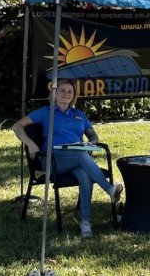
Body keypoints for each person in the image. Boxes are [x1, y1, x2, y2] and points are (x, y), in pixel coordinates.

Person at [12, 79, 122, 238]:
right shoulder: (45, 111)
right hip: (52, 160)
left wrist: (91, 142)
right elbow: (17, 126)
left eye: (70, 91)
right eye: (62, 90)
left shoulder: (79, 114)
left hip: (77, 160)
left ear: (74, 95)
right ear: (54, 93)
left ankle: (85, 223)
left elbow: (92, 133)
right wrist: (30, 143)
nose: (66, 94)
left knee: (84, 175)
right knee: (80, 154)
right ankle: (109, 189)